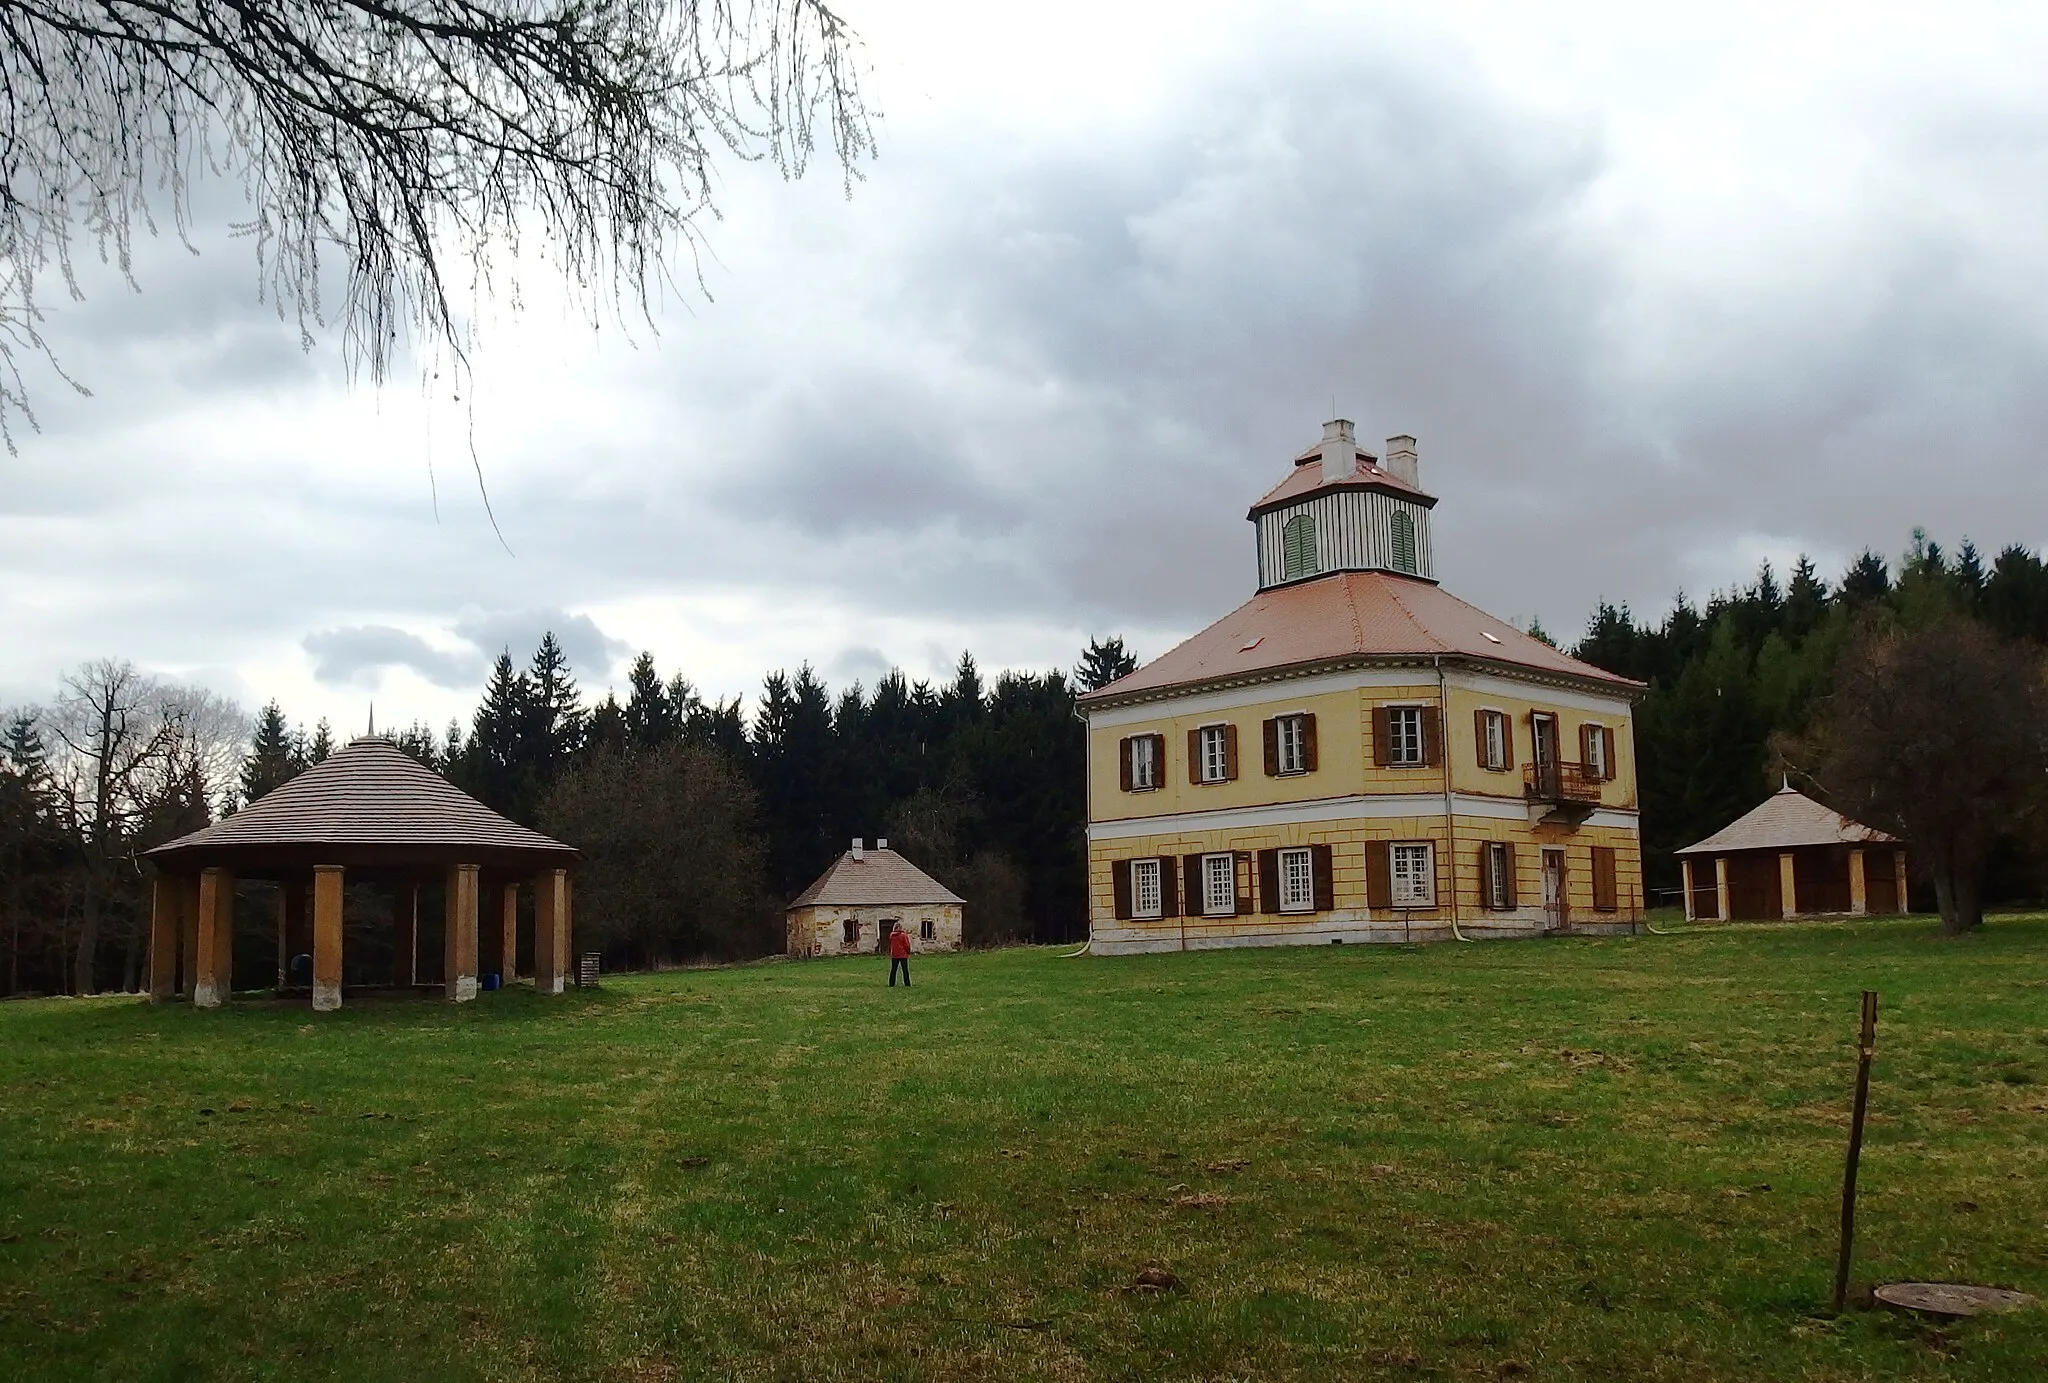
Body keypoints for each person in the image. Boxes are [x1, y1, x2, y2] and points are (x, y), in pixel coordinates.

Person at [887, 921, 912, 987]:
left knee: (893, 970)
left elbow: (890, 945)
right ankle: (907, 983)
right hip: (903, 955)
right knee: (905, 970)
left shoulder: (891, 935)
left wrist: (890, 952)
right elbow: (906, 945)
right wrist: (908, 951)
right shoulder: (903, 935)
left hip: (894, 955)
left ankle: (891, 983)